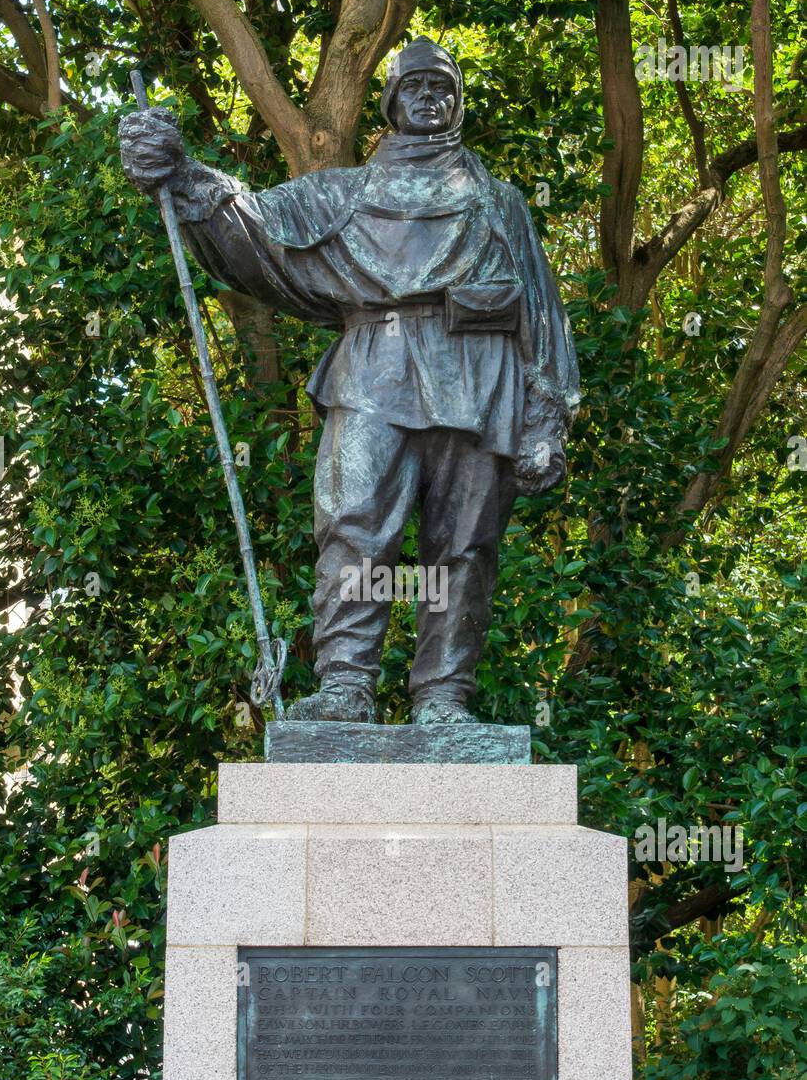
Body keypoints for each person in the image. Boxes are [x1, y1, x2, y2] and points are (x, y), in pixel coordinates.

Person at [120, 38, 580, 725]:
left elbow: (541, 312)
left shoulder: (498, 201)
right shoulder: (341, 194)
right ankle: (343, 684)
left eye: (442, 86)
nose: (429, 97)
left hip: (480, 380)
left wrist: (547, 417)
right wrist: (179, 172)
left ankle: (445, 697)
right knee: (353, 526)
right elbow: (252, 224)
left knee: (464, 545)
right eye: (414, 86)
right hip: (372, 372)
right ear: (391, 102)